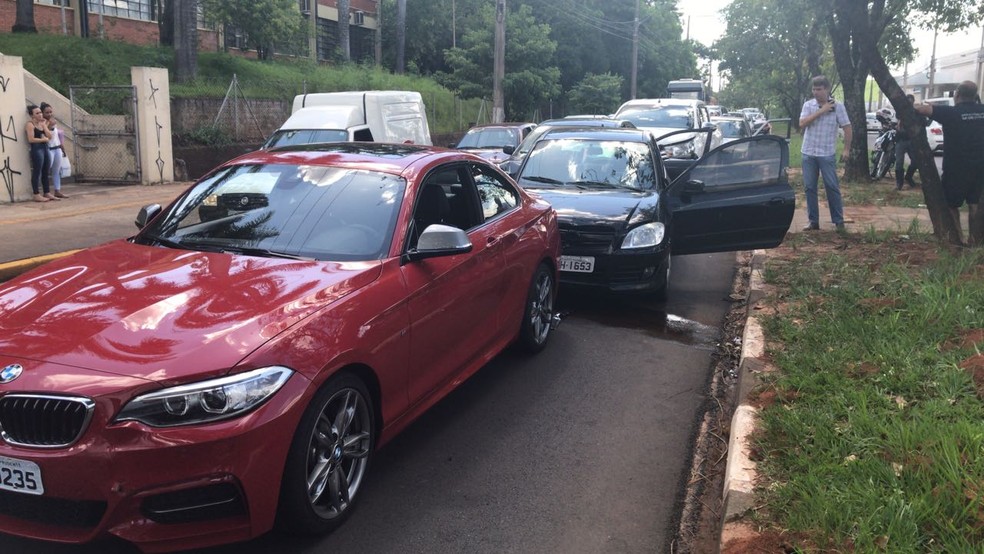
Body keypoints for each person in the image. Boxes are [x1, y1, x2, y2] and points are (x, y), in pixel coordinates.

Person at [915, 81, 984, 245]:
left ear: (957, 94)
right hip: (981, 167)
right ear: (975, 96)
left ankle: (959, 238)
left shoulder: (950, 113)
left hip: (956, 168)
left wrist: (924, 105)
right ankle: (975, 240)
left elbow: (920, 109)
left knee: (952, 205)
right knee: (975, 204)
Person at [799, 75, 851, 231]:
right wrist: (821, 111)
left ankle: (838, 221)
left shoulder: (838, 107)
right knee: (809, 187)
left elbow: (847, 128)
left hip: (826, 153)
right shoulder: (808, 105)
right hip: (808, 152)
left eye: (819, 89)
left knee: (831, 186)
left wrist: (846, 149)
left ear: (827, 89)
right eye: (814, 89)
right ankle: (813, 221)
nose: (816, 92)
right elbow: (802, 123)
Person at [24, 104, 54, 202]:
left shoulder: (42, 123)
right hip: (37, 149)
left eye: (40, 112)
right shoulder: (30, 124)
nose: (40, 115)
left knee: (46, 170)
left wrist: (44, 126)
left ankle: (47, 192)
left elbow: (50, 136)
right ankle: (36, 194)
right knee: (37, 171)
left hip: (45, 147)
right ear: (32, 115)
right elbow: (31, 139)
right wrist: (43, 140)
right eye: (37, 113)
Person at [893, 95, 923, 191]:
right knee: (899, 163)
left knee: (915, 161)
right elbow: (898, 119)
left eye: (911, 102)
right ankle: (899, 183)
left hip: (911, 140)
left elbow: (922, 122)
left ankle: (908, 177)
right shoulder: (901, 111)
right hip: (901, 139)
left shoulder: (916, 112)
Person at [41, 102, 68, 199]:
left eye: (50, 112)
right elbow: (45, 133)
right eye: (46, 112)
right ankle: (46, 191)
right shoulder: (43, 122)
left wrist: (62, 147)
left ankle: (57, 190)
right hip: (49, 149)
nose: (49, 114)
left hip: (57, 148)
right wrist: (48, 125)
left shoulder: (53, 121)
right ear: (42, 113)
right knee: (46, 170)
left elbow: (56, 136)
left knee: (56, 171)